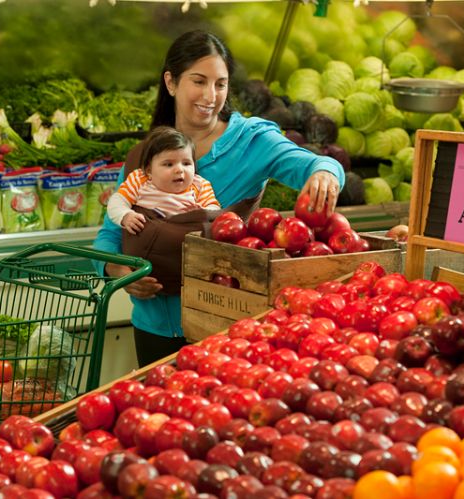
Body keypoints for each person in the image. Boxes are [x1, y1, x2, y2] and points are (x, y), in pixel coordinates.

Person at [93, 29, 345, 367]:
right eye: (198, 81)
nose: (210, 95)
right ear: (171, 83)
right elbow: (109, 234)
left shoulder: (253, 140)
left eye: (220, 84)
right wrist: (115, 268)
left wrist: (326, 173)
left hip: (229, 329)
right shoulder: (149, 151)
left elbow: (313, 163)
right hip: (154, 325)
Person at [106, 125, 220, 235]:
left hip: (184, 243)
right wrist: (125, 215)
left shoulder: (200, 185)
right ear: (149, 170)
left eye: (186, 163)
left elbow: (215, 211)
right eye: (169, 164)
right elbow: (117, 201)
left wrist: (203, 212)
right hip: (147, 242)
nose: (180, 170)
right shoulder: (140, 180)